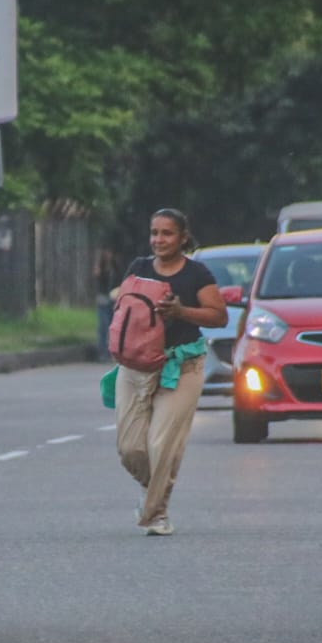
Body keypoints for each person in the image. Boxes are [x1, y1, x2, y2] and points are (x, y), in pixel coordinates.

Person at [115, 208, 226, 536]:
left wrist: (180, 311)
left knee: (162, 445)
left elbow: (218, 316)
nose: (159, 240)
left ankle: (156, 514)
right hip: (135, 364)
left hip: (181, 366)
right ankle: (152, 490)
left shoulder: (196, 274)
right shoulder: (138, 268)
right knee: (130, 448)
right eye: (155, 233)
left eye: (167, 233)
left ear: (182, 237)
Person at [94, 245, 121, 362]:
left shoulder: (116, 269)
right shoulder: (101, 268)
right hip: (103, 299)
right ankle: (103, 352)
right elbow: (97, 277)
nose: (108, 255)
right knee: (103, 326)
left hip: (113, 300)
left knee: (113, 327)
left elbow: (119, 282)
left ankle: (112, 352)